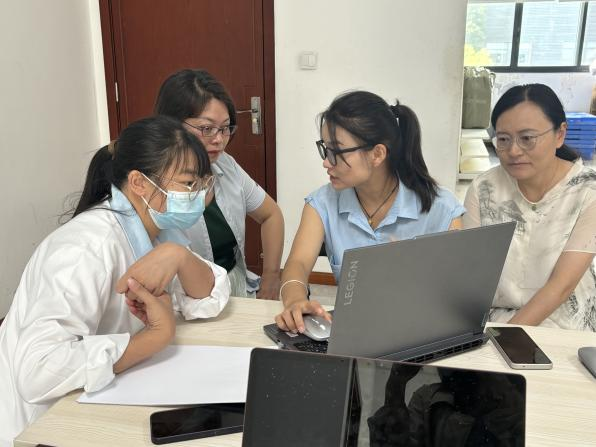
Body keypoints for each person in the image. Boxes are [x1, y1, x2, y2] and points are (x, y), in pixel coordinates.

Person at [0, 116, 230, 446]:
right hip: (41, 422)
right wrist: (153, 339)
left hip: (109, 391)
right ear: (139, 183)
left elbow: (208, 295)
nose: (199, 195)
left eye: (202, 184)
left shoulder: (161, 229)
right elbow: (38, 372)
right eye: (188, 184)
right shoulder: (85, 249)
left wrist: (178, 256)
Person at [275, 91, 465, 333]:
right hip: (354, 332)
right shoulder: (322, 203)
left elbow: (456, 292)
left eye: (337, 152)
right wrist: (294, 300)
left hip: (421, 331)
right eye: (325, 149)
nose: (326, 162)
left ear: (377, 154)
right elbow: (298, 264)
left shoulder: (442, 210)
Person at [463, 83, 596, 331]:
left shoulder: (588, 191)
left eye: (527, 139)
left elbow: (562, 286)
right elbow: (471, 269)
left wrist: (504, 338)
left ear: (560, 134)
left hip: (565, 324)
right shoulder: (484, 188)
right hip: (493, 318)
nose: (514, 151)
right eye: (504, 139)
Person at [155, 69, 284, 299]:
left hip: (233, 285)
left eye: (225, 128)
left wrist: (271, 277)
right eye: (206, 128)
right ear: (172, 125)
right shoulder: (153, 185)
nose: (218, 139)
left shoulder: (225, 164)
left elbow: (271, 214)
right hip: (183, 299)